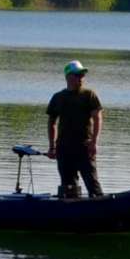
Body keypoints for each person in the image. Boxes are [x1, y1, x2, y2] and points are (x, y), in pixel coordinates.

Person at [45, 59, 104, 198]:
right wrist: (52, 147)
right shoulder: (58, 97)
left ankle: (103, 211)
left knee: (93, 185)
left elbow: (97, 118)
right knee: (68, 188)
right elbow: (51, 122)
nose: (81, 78)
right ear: (68, 77)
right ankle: (74, 215)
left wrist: (94, 142)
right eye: (78, 74)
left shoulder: (89, 95)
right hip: (64, 149)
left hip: (85, 147)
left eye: (82, 75)